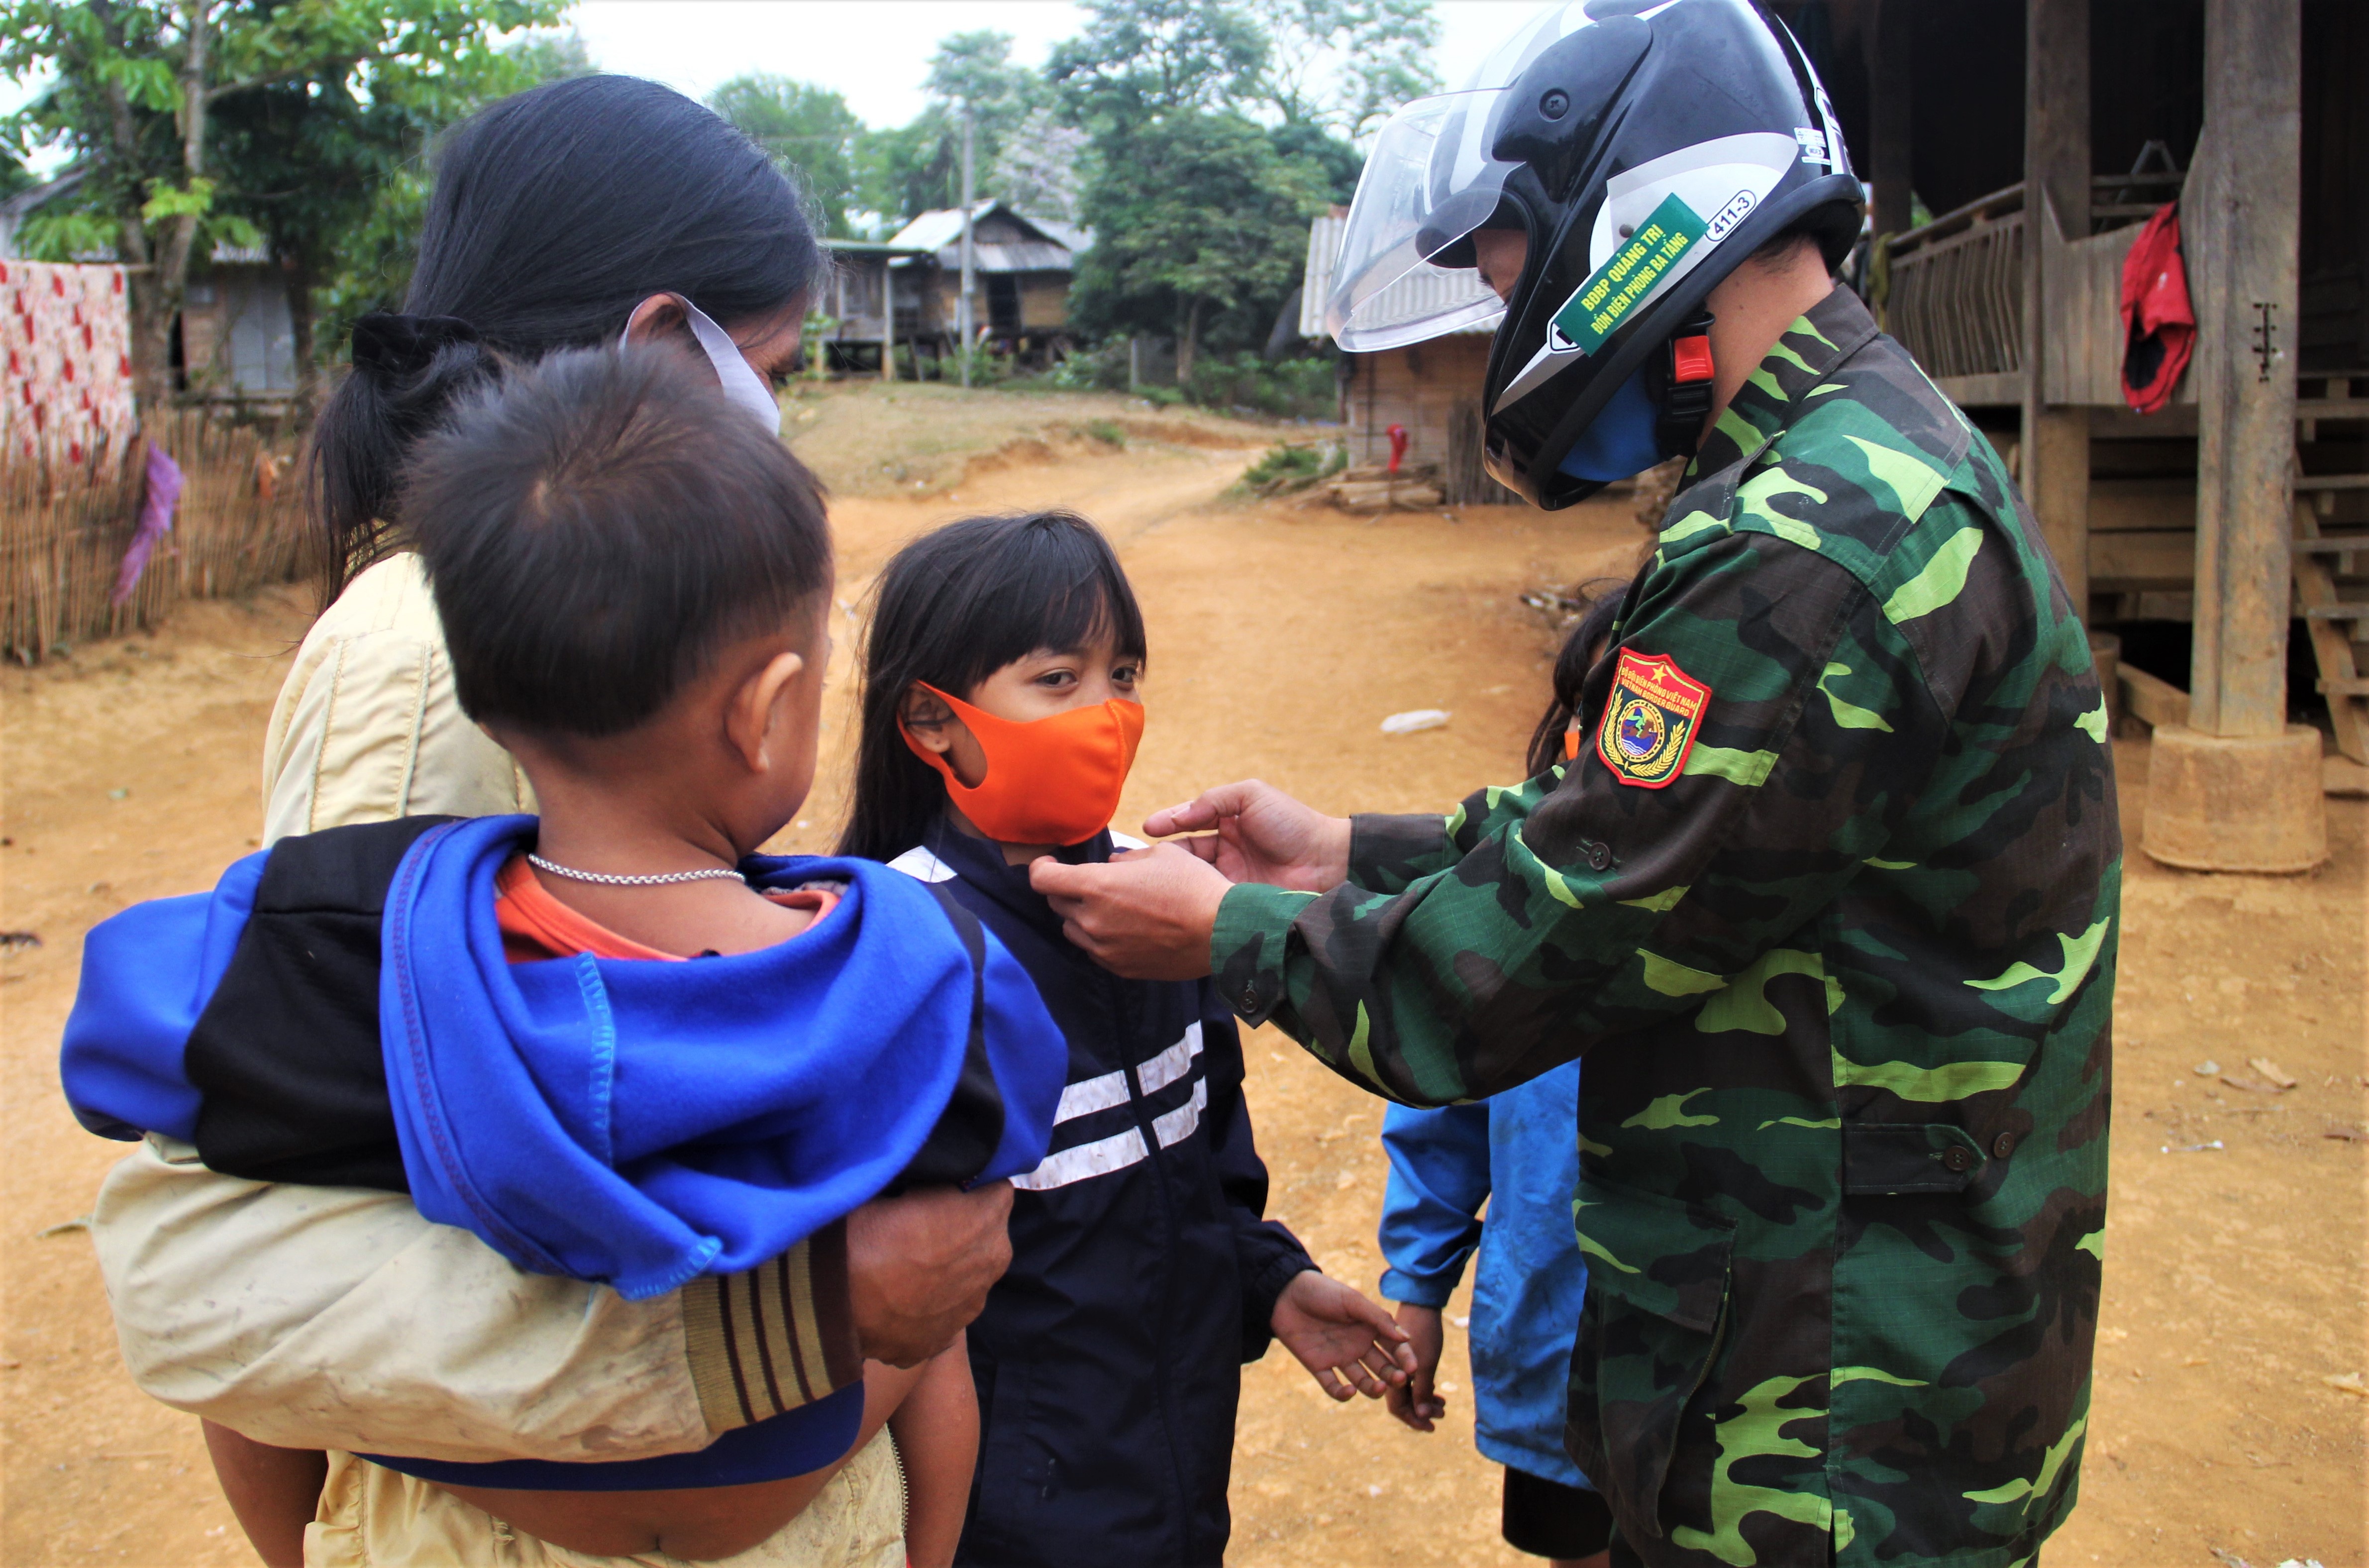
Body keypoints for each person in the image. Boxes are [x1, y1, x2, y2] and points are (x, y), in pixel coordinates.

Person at [1030, 3, 2117, 1564]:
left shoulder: (1805, 541)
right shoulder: (1844, 453)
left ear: (1637, 219)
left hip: (1832, 1414)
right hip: (1843, 1328)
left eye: (1497, 270)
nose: (1499, 310)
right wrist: (1349, 850)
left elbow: (1545, 956)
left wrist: (1234, 935)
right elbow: (1655, 838)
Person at [79, 75, 1012, 1567]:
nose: (780, 423)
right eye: (770, 368)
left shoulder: (582, 621)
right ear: (657, 353)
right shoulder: (418, 651)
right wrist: (814, 1331)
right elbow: (309, 1203)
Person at [838, 511, 1417, 1566]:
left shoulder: (1160, 912)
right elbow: (893, 1303)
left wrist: (1267, 1279)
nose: (1107, 712)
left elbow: (1199, 1159)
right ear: (931, 721)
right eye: (1057, 679)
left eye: (1123, 673)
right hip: (1007, 1518)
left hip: (1176, 1478)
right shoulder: (902, 953)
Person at [1376, 590, 1627, 1568]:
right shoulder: (1507, 895)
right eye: (1593, 705)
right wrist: (1415, 1289)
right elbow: (1444, 1105)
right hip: (1552, 1346)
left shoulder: (1748, 901)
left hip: (1714, 1365)